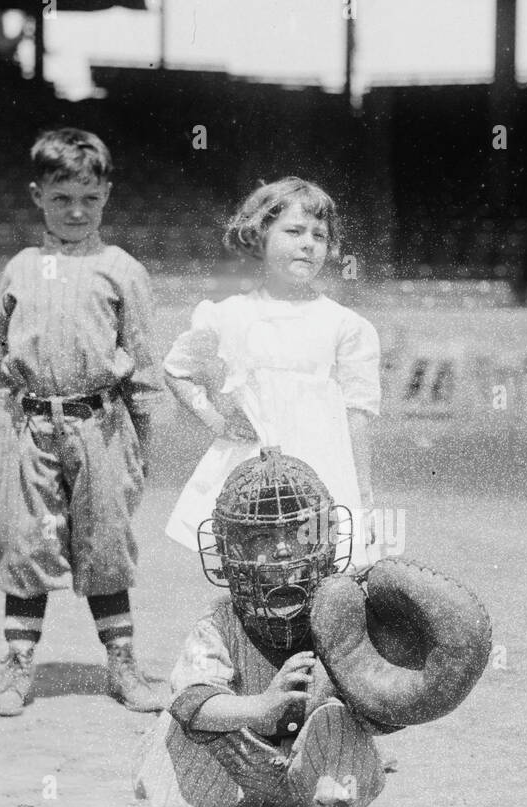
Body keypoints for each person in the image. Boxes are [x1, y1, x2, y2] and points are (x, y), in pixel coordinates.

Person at [134, 449, 388, 807]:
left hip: (314, 769)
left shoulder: (346, 616)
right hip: (238, 764)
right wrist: (261, 708)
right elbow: (191, 698)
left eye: (299, 534)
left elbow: (381, 706)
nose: (284, 551)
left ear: (325, 541)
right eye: (262, 541)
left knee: (340, 720)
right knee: (179, 720)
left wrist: (395, 692)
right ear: (232, 552)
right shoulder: (221, 622)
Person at [0, 128, 165, 716]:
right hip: (31, 426)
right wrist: (10, 430)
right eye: (62, 197)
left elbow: (141, 361)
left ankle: (121, 663)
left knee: (106, 543)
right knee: (23, 543)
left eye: (88, 198)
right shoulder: (20, 267)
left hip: (101, 428)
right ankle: (17, 668)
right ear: (38, 194)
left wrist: (141, 445)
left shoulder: (121, 269)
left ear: (106, 195)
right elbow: (1, 360)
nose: (75, 211)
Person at [163, 176, 381, 571]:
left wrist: (363, 499)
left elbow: (358, 417)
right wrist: (215, 419)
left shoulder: (346, 326)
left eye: (319, 234)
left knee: (322, 583)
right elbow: (177, 371)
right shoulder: (227, 314)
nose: (308, 243)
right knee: (252, 582)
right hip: (251, 475)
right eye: (294, 231)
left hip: (323, 473)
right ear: (259, 235)